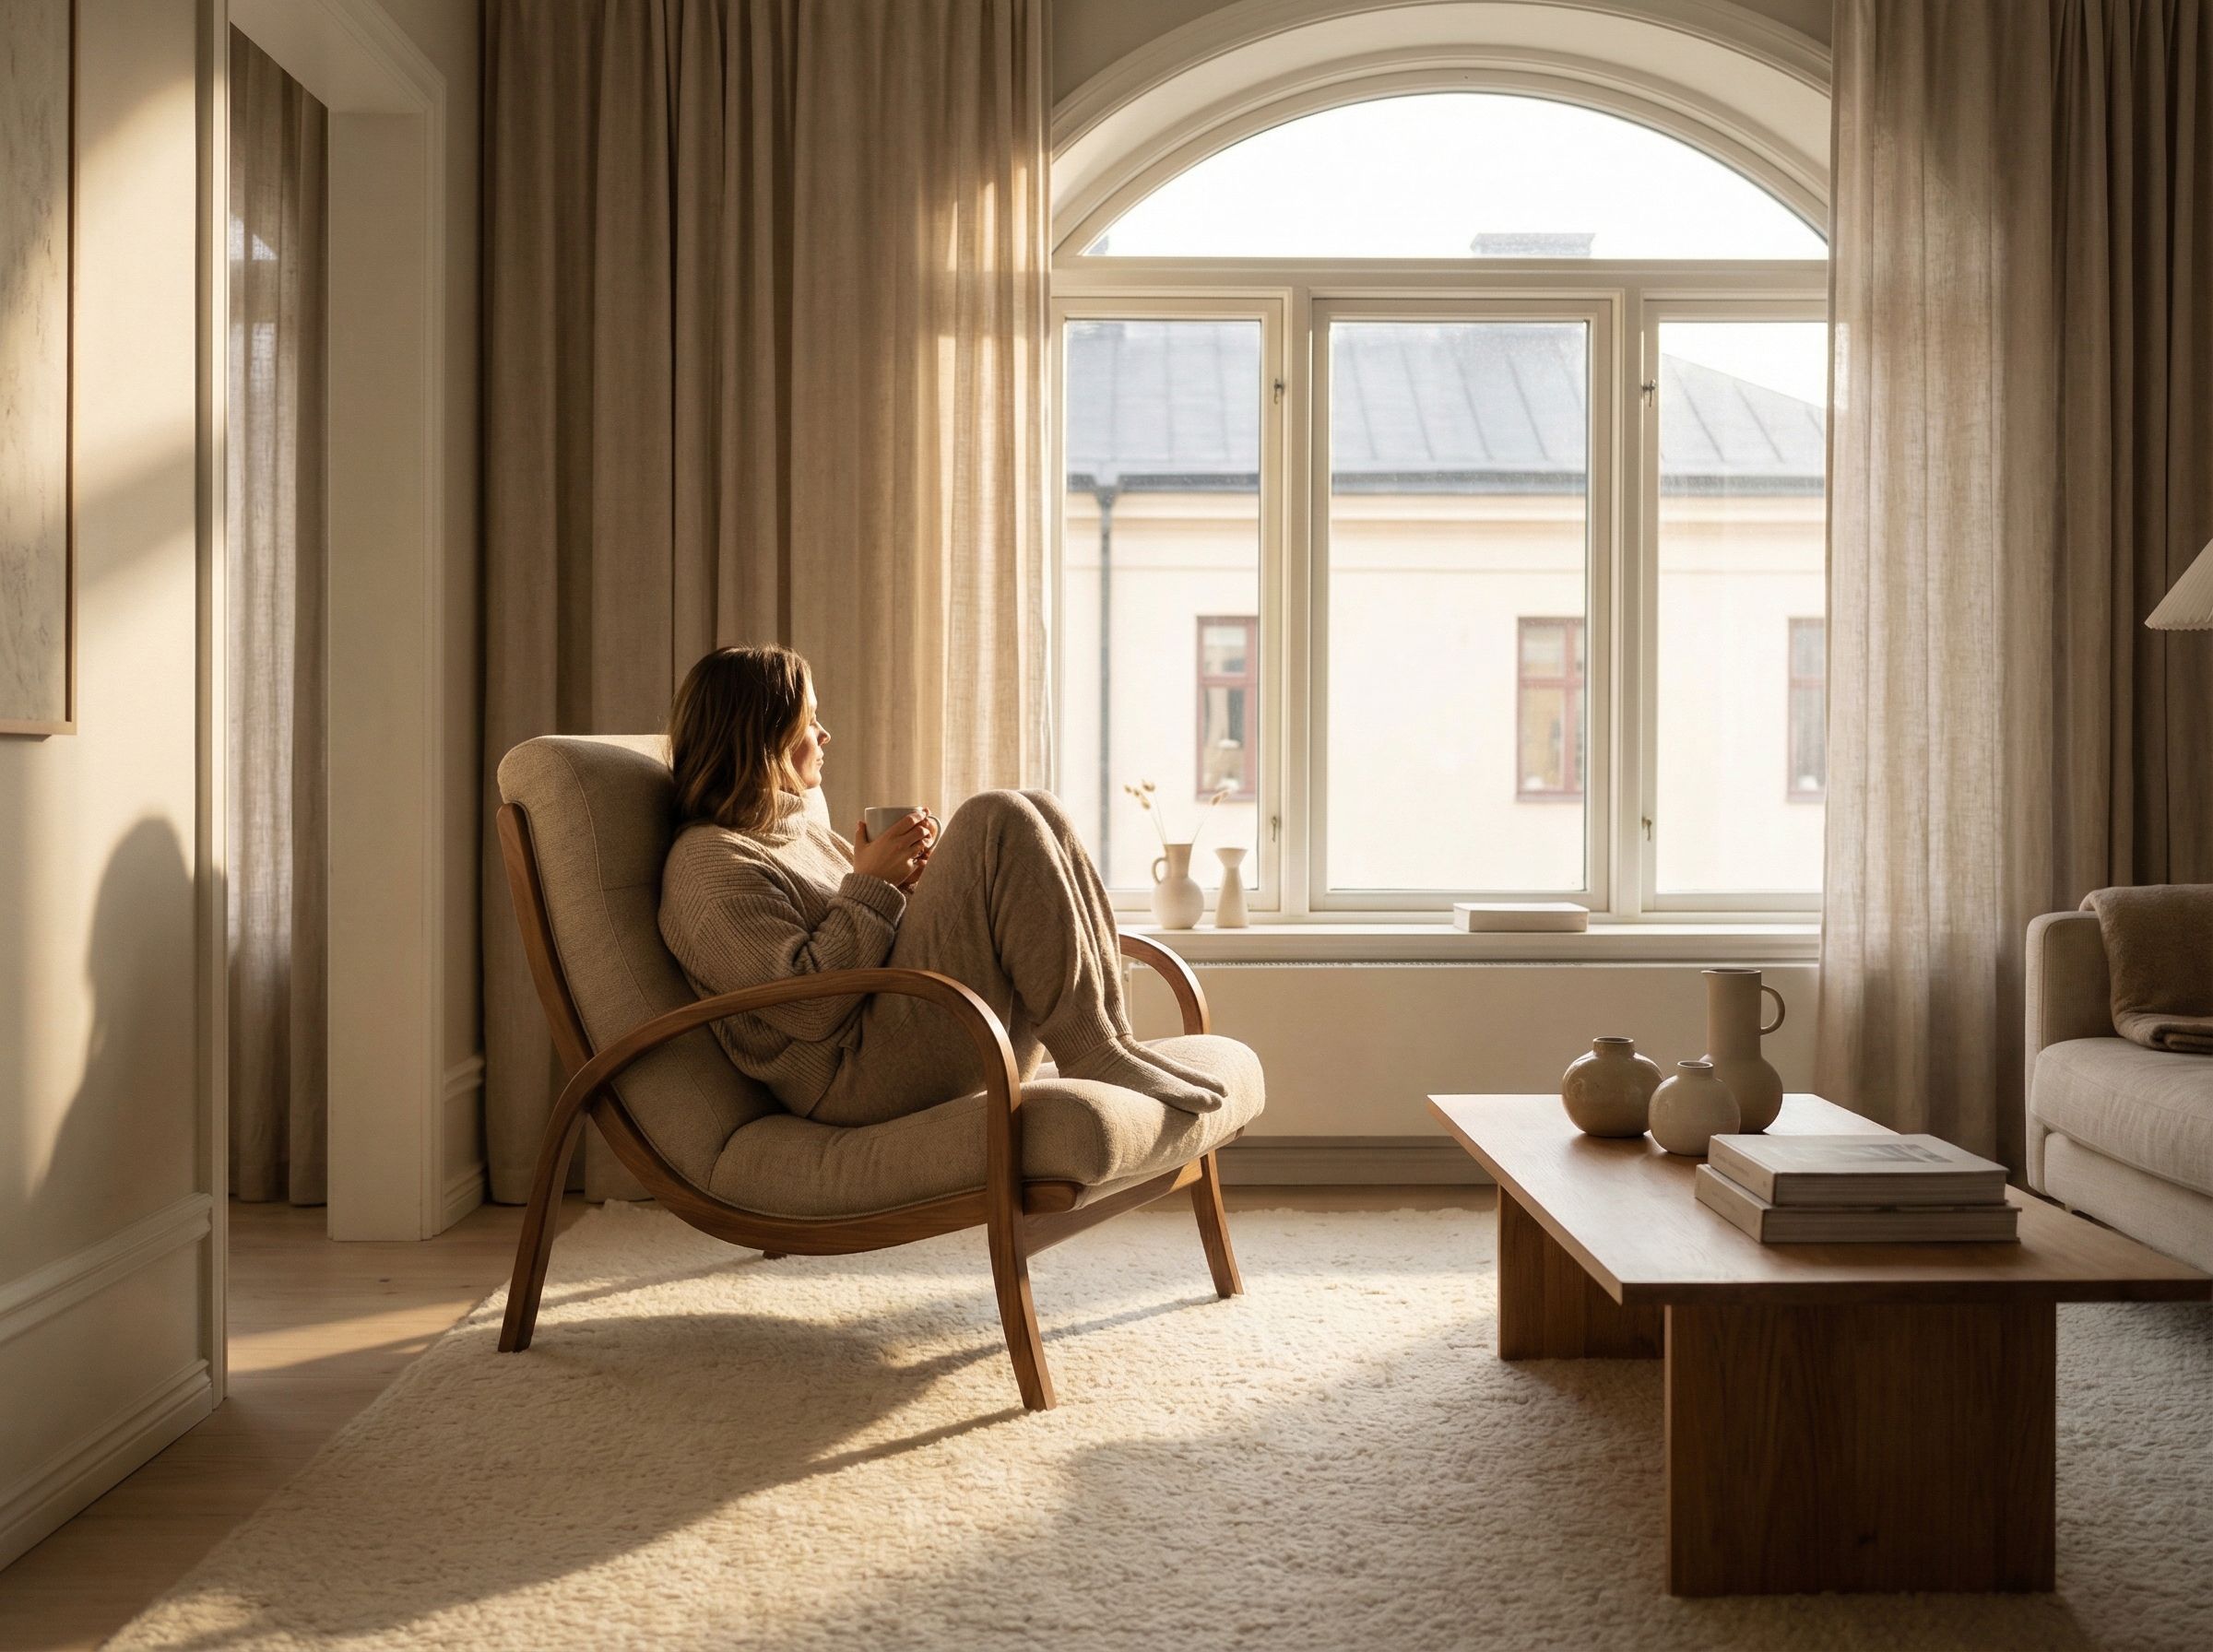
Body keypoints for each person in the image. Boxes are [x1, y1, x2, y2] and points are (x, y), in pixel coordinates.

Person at [657, 644, 1227, 1126]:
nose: (825, 734)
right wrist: (872, 887)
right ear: (764, 736)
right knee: (994, 817)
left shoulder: (798, 832)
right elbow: (809, 1010)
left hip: (906, 1031)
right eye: (809, 721)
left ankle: (1108, 1040)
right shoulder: (708, 864)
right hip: (849, 1080)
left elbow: (862, 942)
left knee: (1036, 808)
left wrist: (907, 892)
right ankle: (1095, 1050)